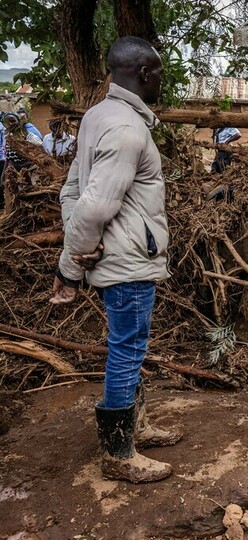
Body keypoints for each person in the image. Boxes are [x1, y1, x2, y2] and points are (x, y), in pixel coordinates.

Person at [50, 36, 180, 484]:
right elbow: (93, 207)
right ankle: (119, 452)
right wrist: (71, 263)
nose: (162, 78)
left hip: (123, 255)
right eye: (159, 71)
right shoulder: (126, 129)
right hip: (127, 263)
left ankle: (135, 426)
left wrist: (76, 243)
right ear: (143, 73)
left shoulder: (98, 116)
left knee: (132, 346)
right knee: (127, 349)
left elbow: (71, 194)